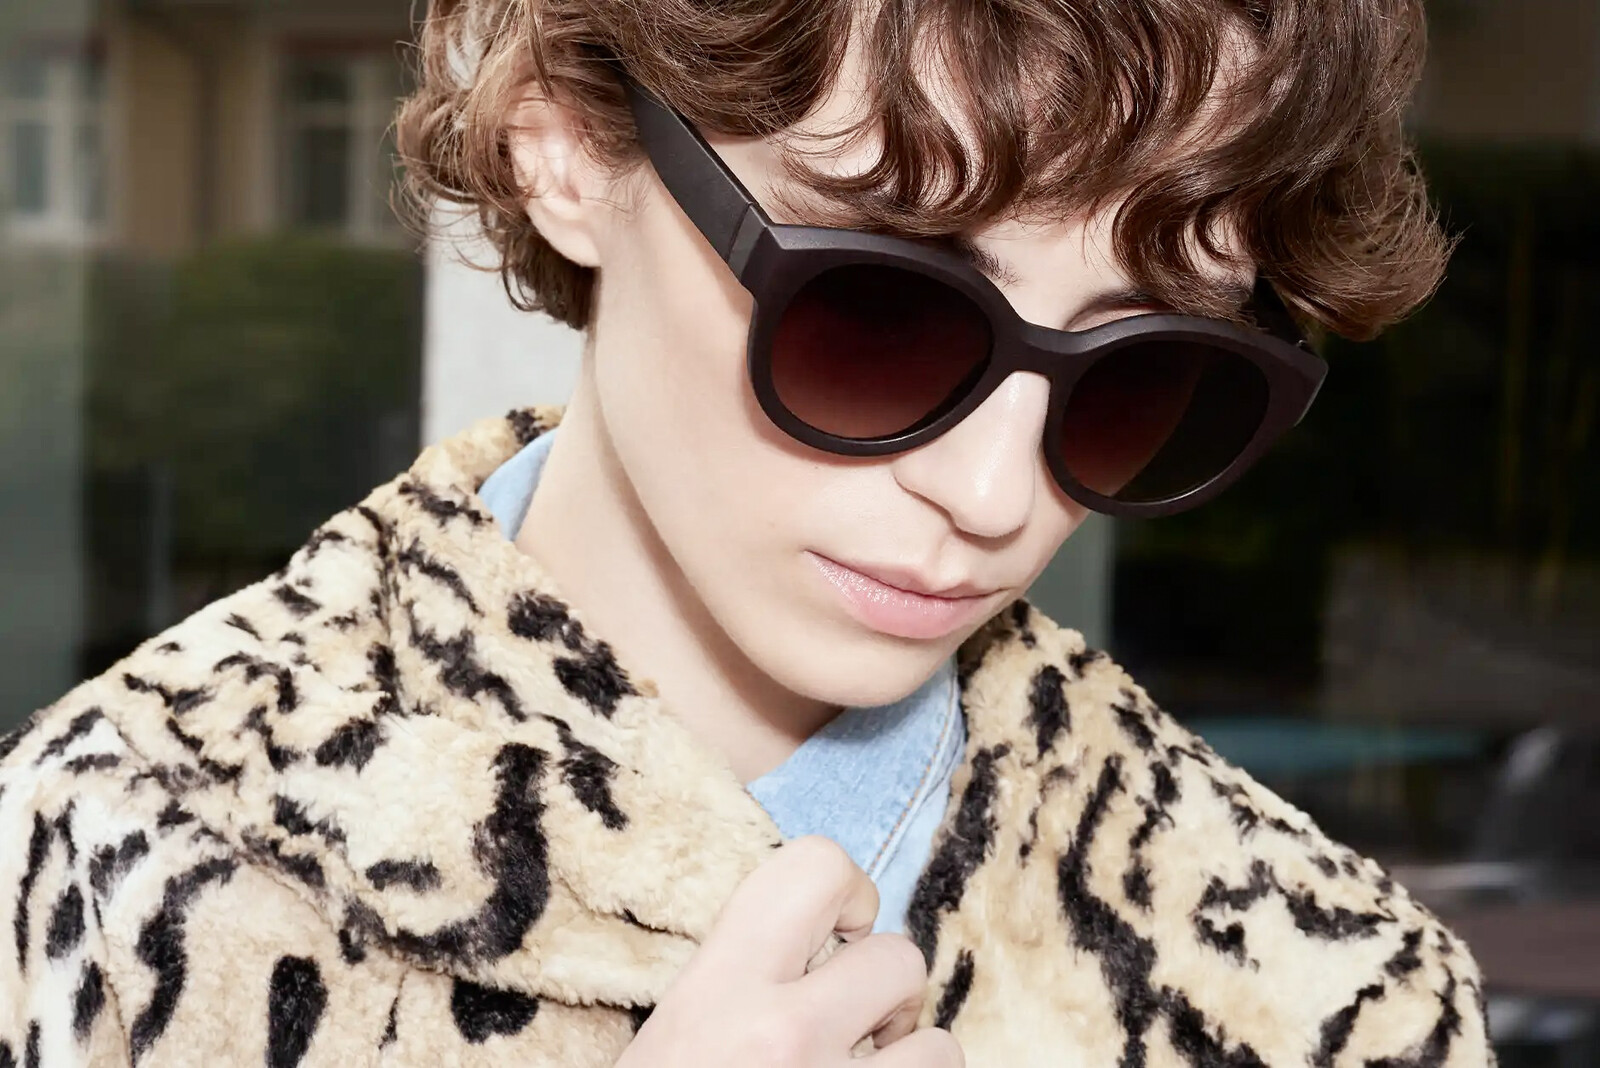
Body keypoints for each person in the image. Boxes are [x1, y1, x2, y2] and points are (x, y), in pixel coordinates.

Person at [0, 0, 1496, 1064]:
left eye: (1146, 377)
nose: (996, 496)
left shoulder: (1321, 995)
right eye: (881, 311)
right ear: (567, 145)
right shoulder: (102, 858)